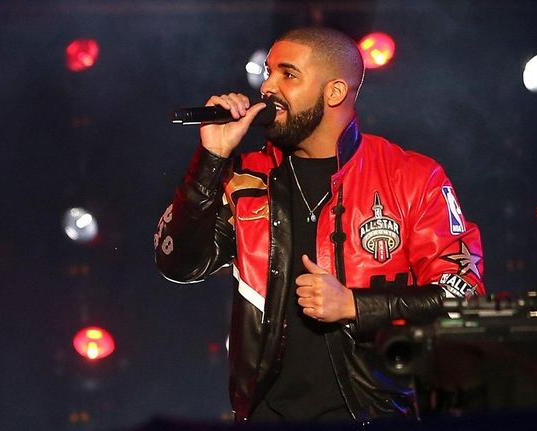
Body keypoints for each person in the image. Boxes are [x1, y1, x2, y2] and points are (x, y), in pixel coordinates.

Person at [154, 26, 485, 424]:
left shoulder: (413, 177)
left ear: (334, 92)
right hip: (266, 418)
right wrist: (211, 158)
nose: (268, 88)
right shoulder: (246, 178)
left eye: (288, 75)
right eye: (268, 72)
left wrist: (354, 306)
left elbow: (463, 297)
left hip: (376, 416)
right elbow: (178, 262)